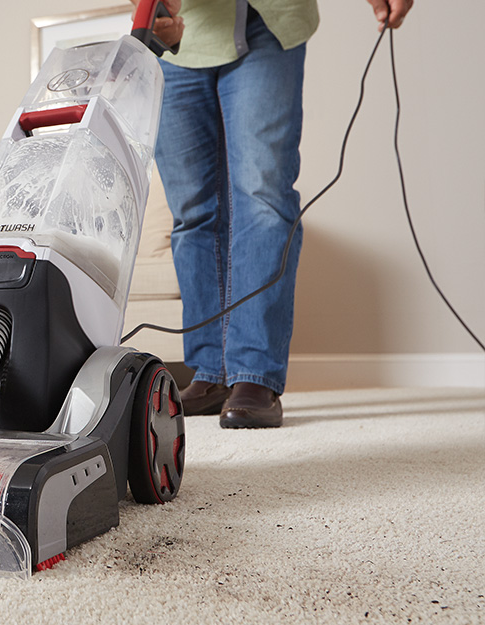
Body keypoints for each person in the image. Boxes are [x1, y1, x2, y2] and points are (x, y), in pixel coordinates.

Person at [132, 0, 414, 428]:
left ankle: (253, 377)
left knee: (262, 197)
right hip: (182, 42)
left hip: (268, 21)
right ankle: (210, 373)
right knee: (191, 212)